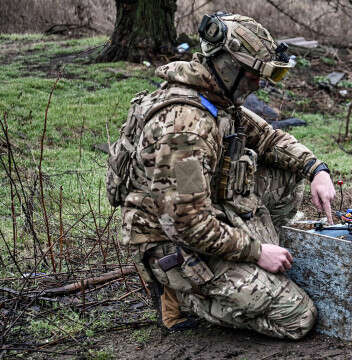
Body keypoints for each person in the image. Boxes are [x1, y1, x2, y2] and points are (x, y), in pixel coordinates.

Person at [113, 12, 335, 339]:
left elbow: (269, 138)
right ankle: (182, 297)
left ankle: (256, 270)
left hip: (202, 215)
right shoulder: (185, 131)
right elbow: (189, 225)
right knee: (297, 317)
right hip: (170, 240)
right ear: (229, 67)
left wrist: (317, 170)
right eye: (253, 75)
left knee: (288, 176)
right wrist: (258, 252)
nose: (258, 84)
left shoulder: (217, 97)